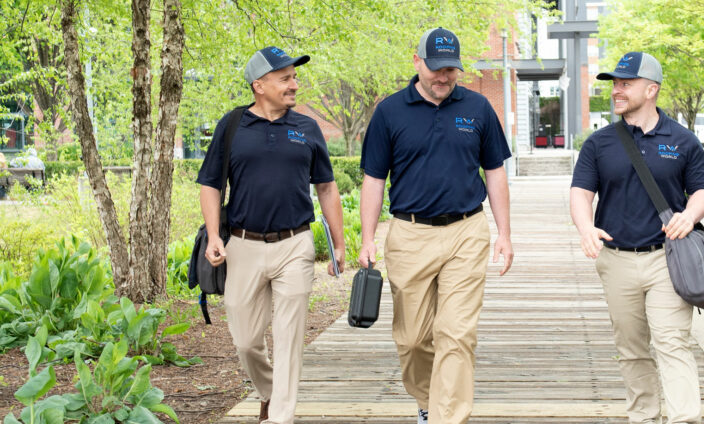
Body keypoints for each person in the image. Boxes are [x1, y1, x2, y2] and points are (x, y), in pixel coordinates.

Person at [358, 27, 514, 424]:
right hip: (409, 234)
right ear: (417, 63)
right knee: (411, 339)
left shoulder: (478, 108)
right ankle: (428, 401)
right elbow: (374, 180)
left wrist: (505, 234)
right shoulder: (389, 112)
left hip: (466, 231)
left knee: (456, 333)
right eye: (436, 69)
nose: (443, 77)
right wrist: (367, 237)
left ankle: (448, 417)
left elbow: (495, 171)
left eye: (451, 70)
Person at [198, 46, 345, 424]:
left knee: (290, 335)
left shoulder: (307, 128)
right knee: (246, 341)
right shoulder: (232, 126)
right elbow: (211, 185)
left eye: (294, 77)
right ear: (258, 85)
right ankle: (268, 391)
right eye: (285, 78)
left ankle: (280, 416)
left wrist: (339, 243)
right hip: (243, 245)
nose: (294, 85)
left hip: (295, 244)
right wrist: (215, 236)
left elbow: (327, 187)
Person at [569, 52, 704, 424]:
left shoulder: (683, 141)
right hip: (616, 260)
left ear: (651, 89)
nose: (616, 91)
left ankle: (684, 418)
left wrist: (690, 215)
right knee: (632, 349)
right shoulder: (598, 144)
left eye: (625, 84)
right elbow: (581, 193)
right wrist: (586, 227)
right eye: (615, 83)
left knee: (671, 342)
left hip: (668, 258)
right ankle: (644, 417)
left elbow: (703, 190)